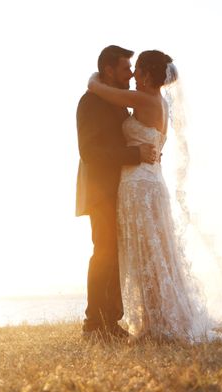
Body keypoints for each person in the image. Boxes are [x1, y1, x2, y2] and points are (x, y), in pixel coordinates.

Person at [87, 50, 212, 342]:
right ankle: (157, 314)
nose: (132, 76)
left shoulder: (143, 100)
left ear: (144, 75)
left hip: (139, 185)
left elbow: (97, 88)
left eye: (135, 70)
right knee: (153, 253)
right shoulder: (160, 103)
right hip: (151, 183)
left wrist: (93, 77)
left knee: (145, 252)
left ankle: (157, 319)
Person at [76, 45, 158, 341]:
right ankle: (93, 325)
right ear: (108, 70)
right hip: (100, 190)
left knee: (117, 256)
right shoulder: (90, 102)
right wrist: (135, 154)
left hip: (122, 191)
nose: (131, 73)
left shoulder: (117, 101)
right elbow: (90, 152)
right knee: (104, 253)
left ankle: (111, 321)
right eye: (125, 68)